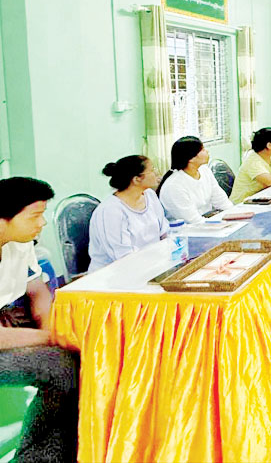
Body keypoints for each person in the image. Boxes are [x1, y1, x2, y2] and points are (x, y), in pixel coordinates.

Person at [0, 177, 79, 463]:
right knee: (59, 366)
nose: (42, 223)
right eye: (34, 216)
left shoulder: (20, 244)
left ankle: (63, 451)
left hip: (12, 327)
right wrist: (51, 337)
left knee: (80, 353)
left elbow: (37, 291)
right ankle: (35, 457)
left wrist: (51, 326)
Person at [89, 155, 169, 271]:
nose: (156, 173)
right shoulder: (111, 211)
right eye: (152, 170)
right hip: (116, 273)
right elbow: (123, 256)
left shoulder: (150, 195)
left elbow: (164, 232)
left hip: (152, 265)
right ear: (137, 179)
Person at [157, 136, 233, 223]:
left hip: (207, 222)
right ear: (191, 158)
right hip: (188, 228)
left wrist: (234, 215)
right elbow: (193, 221)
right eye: (202, 150)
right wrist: (219, 224)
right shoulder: (174, 186)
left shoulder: (205, 170)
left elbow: (221, 201)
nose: (207, 151)